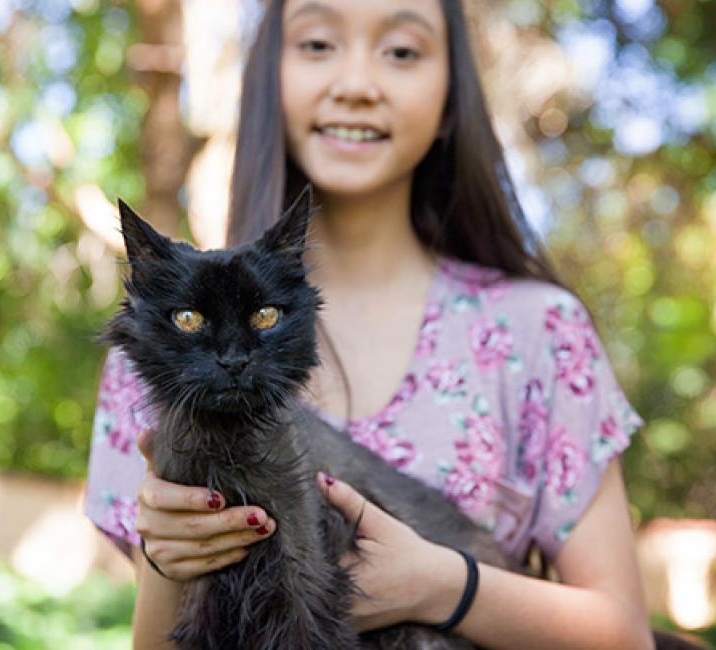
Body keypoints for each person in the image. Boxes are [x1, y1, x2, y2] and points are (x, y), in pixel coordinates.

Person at [85, 0, 655, 648]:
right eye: (319, 44)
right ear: (267, 78)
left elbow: (626, 637)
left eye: (401, 50)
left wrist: (444, 585)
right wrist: (169, 559)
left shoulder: (539, 333)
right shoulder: (149, 361)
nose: (356, 84)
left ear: (450, 96)